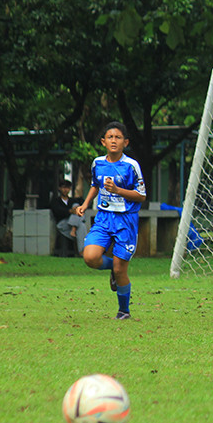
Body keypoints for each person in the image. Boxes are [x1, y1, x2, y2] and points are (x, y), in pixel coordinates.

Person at [74, 121, 146, 320]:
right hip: (104, 218)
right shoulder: (98, 163)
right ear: (103, 141)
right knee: (90, 257)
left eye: (118, 137)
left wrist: (118, 191)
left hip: (126, 221)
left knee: (120, 269)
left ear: (125, 142)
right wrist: (86, 203)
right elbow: (95, 185)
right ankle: (113, 270)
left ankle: (124, 311)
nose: (114, 140)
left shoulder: (132, 166)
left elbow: (141, 196)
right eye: (110, 137)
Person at [50, 179, 88, 255]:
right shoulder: (56, 201)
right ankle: (82, 251)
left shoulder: (72, 200)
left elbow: (82, 204)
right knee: (78, 216)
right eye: (63, 187)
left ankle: (81, 251)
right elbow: (58, 211)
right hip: (62, 224)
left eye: (67, 188)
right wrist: (70, 211)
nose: (65, 190)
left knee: (82, 225)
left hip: (73, 223)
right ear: (60, 188)